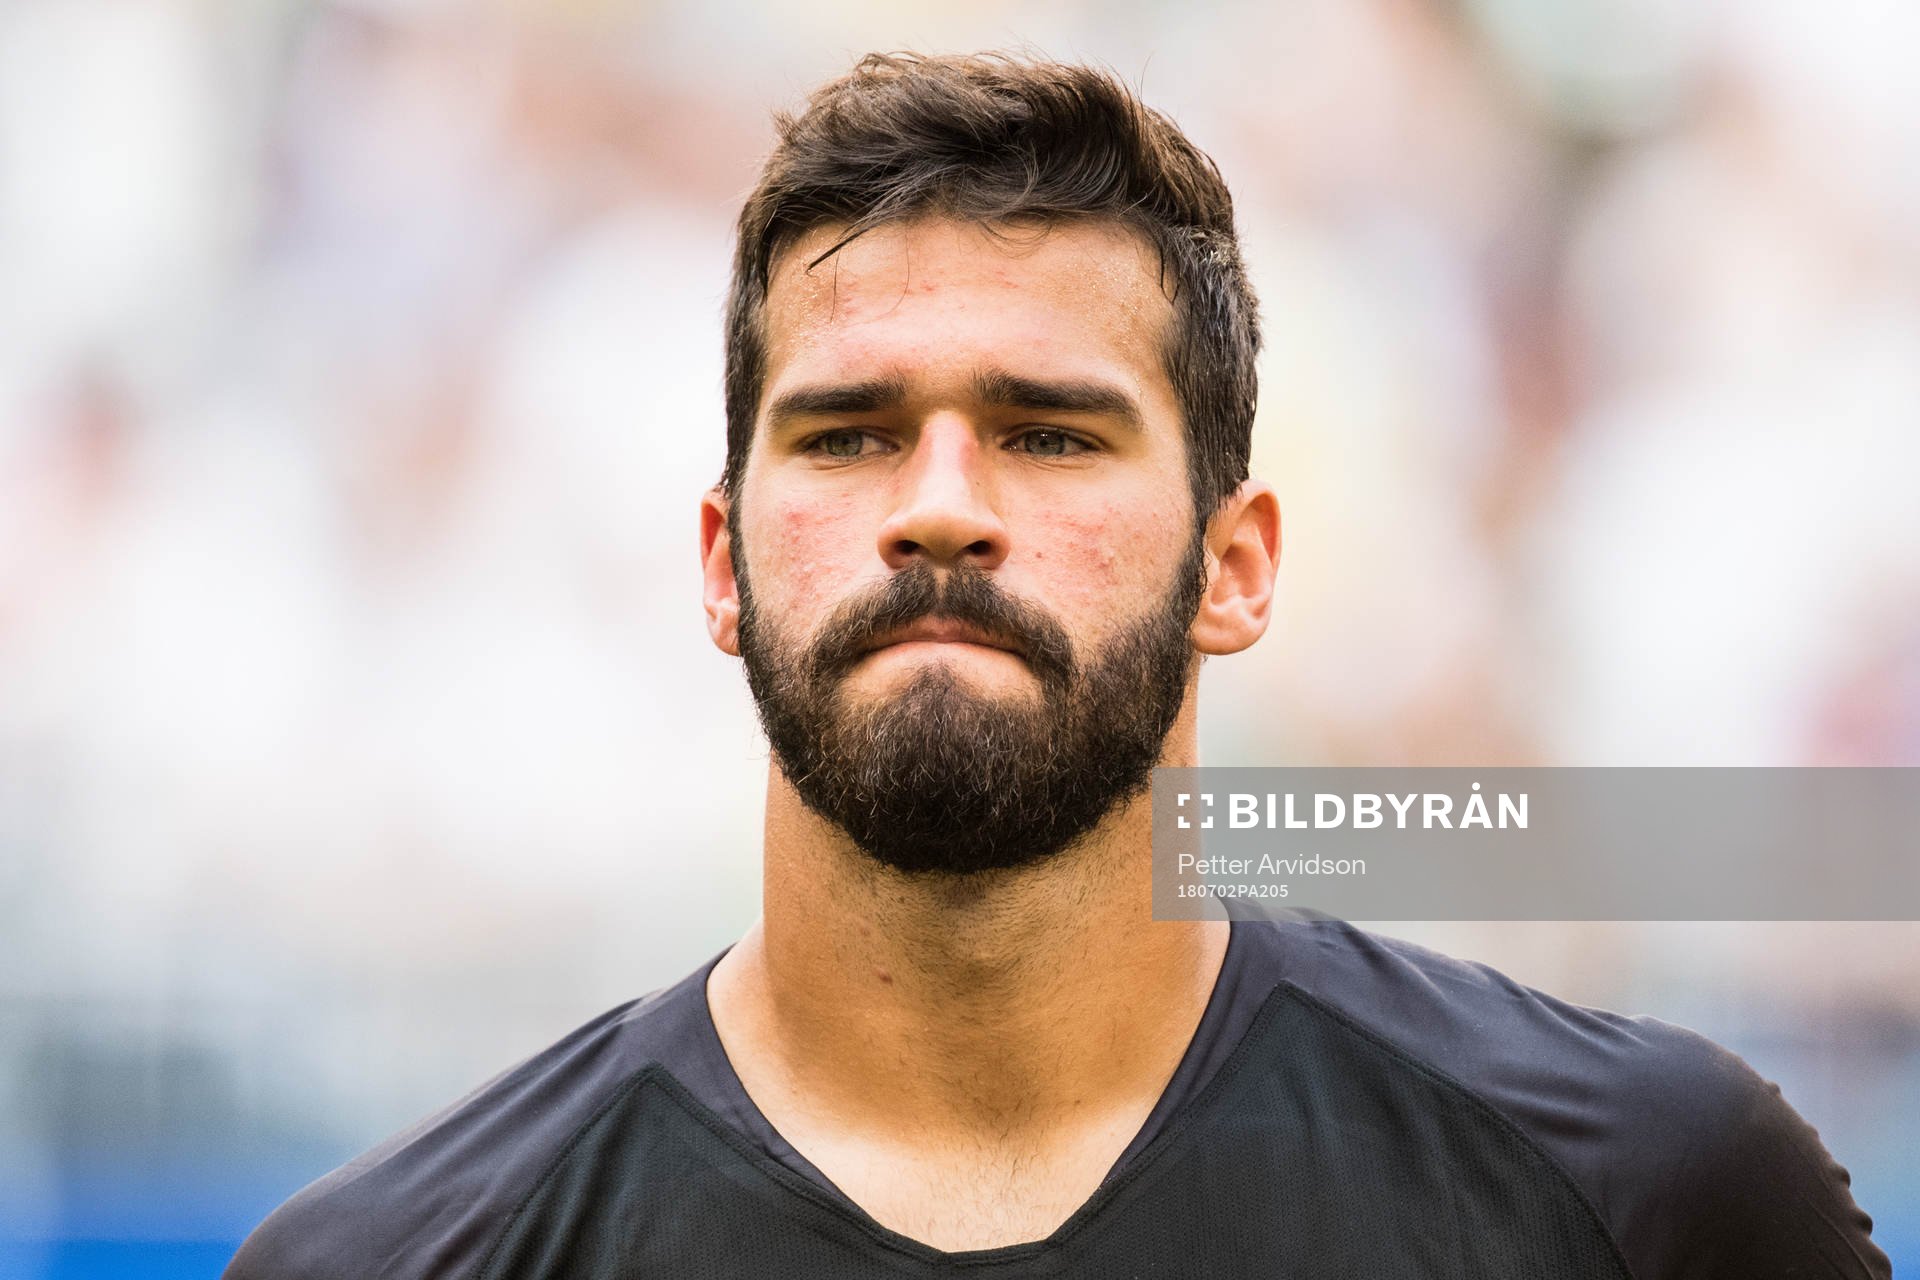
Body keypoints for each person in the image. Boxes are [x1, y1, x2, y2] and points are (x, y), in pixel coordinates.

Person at [226, 52, 1889, 1278]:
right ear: (724, 566)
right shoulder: (389, 1263)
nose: (941, 509)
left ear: (1235, 569)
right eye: (852, 433)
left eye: (1049, 433)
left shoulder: (1651, 1200)